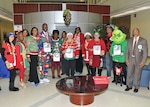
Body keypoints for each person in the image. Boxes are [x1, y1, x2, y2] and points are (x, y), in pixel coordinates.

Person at [125, 28, 148, 93]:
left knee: (138, 74)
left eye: (136, 31)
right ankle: (129, 86)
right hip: (130, 59)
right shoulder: (129, 40)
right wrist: (126, 59)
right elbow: (127, 51)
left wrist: (143, 61)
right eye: (134, 31)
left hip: (139, 60)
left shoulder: (143, 41)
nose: (135, 32)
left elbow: (145, 52)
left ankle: (136, 87)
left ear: (139, 32)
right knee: (129, 73)